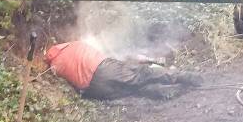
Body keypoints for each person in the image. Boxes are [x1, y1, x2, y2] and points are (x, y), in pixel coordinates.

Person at [44, 39, 202, 100]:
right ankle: (183, 76)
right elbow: (98, 52)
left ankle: (164, 92)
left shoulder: (55, 66)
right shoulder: (75, 45)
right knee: (142, 74)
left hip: (94, 90)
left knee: (132, 89)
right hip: (102, 68)